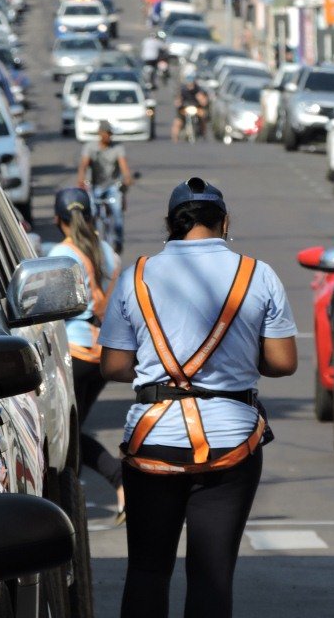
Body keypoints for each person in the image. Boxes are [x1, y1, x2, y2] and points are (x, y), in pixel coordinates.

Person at [99, 177, 298, 618]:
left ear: (170, 225)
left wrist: (158, 371)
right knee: (212, 576)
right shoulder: (257, 274)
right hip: (232, 443)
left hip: (153, 440)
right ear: (225, 222)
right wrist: (239, 363)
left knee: (148, 571)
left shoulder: (137, 275)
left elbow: (113, 367)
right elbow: (283, 362)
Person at [48, 188, 125, 523]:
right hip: (101, 356)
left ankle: (118, 480)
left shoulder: (59, 254)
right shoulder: (109, 253)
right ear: (93, 215)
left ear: (57, 219)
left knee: (65, 436)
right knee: (71, 434)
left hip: (73, 354)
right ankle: (113, 484)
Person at [77, 121, 133, 252]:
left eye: (110, 133)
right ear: (100, 133)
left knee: (117, 212)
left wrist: (127, 179)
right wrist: (81, 180)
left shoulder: (117, 148)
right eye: (107, 133)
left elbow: (124, 167)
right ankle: (93, 241)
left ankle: (118, 242)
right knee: (92, 212)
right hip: (95, 185)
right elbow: (83, 165)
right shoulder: (90, 147)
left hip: (112, 186)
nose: (109, 136)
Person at [172, 75, 209, 142]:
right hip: (184, 109)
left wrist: (202, 100)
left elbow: (203, 100)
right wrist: (178, 103)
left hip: (196, 108)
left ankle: (203, 134)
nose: (190, 85)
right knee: (177, 122)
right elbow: (178, 99)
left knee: (203, 117)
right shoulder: (182, 90)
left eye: (191, 83)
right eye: (189, 83)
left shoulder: (198, 90)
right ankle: (175, 138)